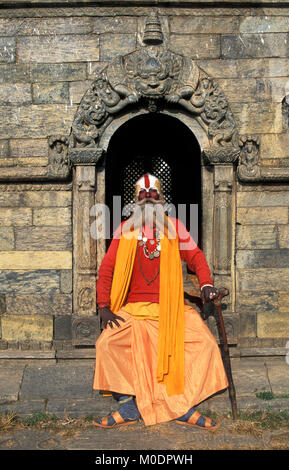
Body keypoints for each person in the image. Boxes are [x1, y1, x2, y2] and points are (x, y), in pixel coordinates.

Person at [93, 173, 228, 429]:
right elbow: (107, 269)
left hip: (171, 307)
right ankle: (129, 406)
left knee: (205, 344)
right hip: (132, 309)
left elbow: (196, 257)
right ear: (136, 201)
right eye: (143, 196)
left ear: (161, 199)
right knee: (107, 345)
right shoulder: (124, 230)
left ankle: (182, 405)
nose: (148, 199)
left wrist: (206, 284)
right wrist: (103, 307)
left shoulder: (175, 227)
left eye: (153, 194)